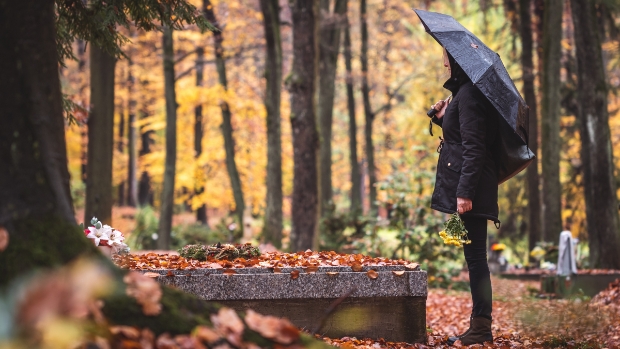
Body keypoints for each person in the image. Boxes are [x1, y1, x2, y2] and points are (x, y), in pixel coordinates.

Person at [428, 48, 500, 346]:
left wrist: (464, 193)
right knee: (474, 259)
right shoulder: (464, 95)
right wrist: (441, 117)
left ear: (457, 61)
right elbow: (458, 137)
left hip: (473, 189)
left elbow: (475, 147)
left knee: (476, 260)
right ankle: (479, 325)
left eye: (447, 56)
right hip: (472, 187)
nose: (444, 61)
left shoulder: (469, 95)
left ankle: (482, 327)